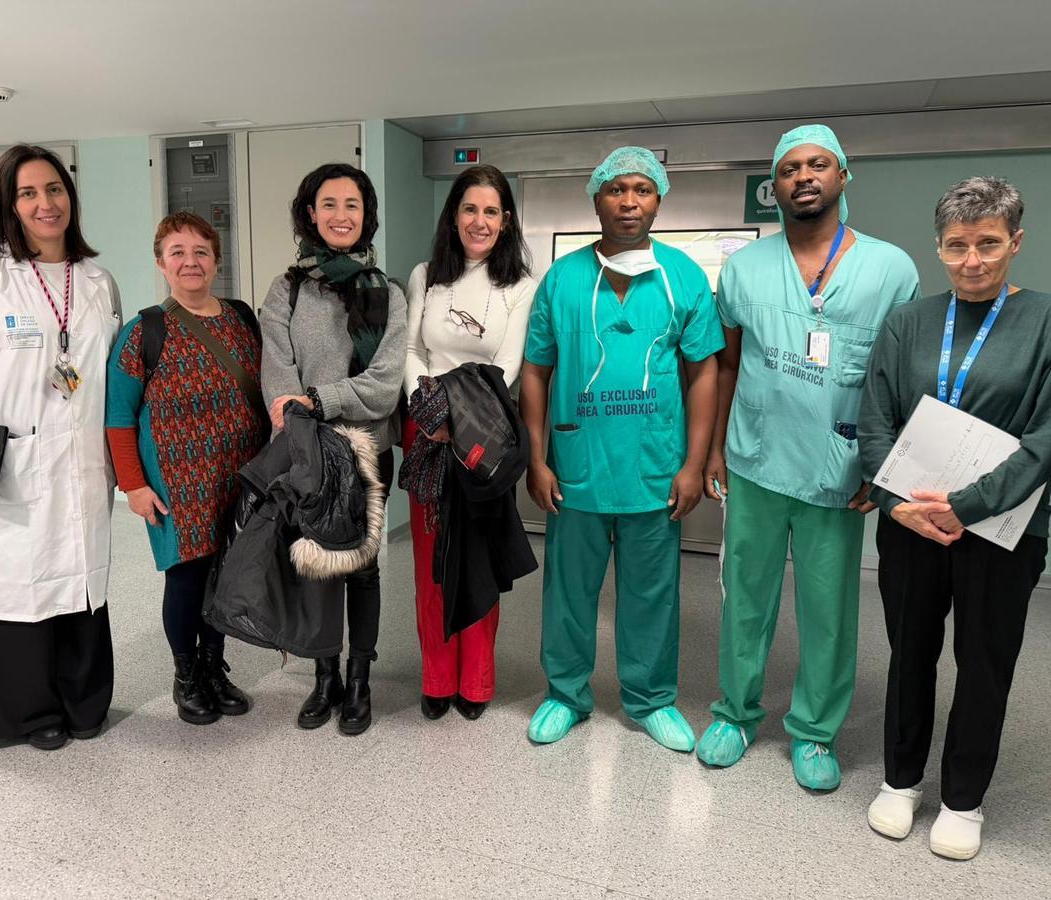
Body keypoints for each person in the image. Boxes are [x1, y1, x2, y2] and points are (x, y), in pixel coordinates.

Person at [859, 177, 1051, 859]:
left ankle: (963, 798)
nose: (973, 260)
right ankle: (900, 780)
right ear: (939, 247)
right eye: (957, 246)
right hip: (910, 525)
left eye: (988, 243)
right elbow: (875, 420)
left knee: (985, 661)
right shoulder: (907, 322)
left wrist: (967, 505)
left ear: (1016, 241)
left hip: (1001, 529)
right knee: (909, 654)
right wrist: (895, 502)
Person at [698, 124, 921, 790]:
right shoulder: (745, 268)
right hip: (755, 459)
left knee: (828, 610)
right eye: (790, 168)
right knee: (745, 599)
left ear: (842, 175)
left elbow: (901, 380)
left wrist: (885, 468)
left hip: (839, 468)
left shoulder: (891, 269)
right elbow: (728, 363)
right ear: (776, 186)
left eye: (818, 164)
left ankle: (815, 733)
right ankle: (735, 714)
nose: (804, 177)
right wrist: (715, 448)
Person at [521, 146, 723, 751]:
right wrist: (536, 458)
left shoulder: (683, 277)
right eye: (616, 189)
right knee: (568, 593)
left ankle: (651, 698)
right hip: (577, 466)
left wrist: (693, 464)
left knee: (652, 594)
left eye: (642, 189)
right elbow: (535, 370)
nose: (629, 201)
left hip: (653, 468)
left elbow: (705, 372)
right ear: (596, 200)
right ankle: (565, 694)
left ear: (658, 200)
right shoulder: (562, 279)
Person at [0, 144, 122, 750]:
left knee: (81, 578)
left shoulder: (96, 279)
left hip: (82, 459)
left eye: (54, 190)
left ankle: (83, 701)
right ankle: (30, 713)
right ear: (8, 205)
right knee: (19, 582)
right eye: (28, 193)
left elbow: (107, 373)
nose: (45, 204)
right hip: (12, 459)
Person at [260, 163, 406, 736]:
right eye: (329, 204)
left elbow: (385, 385)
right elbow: (278, 376)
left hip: (367, 452)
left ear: (367, 216)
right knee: (316, 566)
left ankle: (360, 678)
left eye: (353, 205)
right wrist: (305, 417)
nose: (341, 216)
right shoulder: (288, 289)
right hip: (310, 453)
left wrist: (318, 400)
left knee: (362, 568)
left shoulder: (388, 292)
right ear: (310, 213)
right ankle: (325, 678)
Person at [105, 211, 265, 725]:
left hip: (238, 478)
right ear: (161, 263)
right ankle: (187, 676)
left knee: (224, 577)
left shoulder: (242, 320)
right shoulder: (143, 332)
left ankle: (215, 667)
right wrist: (133, 486)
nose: (190, 262)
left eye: (201, 252)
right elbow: (118, 417)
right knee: (187, 579)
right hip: (178, 486)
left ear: (216, 261)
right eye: (178, 252)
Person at [403, 164, 537, 721]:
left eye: (491, 211)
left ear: (505, 221)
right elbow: (412, 350)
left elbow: (508, 364)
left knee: (478, 559)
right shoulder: (426, 275)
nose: (479, 221)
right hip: (427, 433)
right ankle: (437, 678)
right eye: (469, 209)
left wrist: (459, 417)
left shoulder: (521, 286)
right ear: (453, 215)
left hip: (486, 436)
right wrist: (429, 410)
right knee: (431, 562)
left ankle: (476, 682)